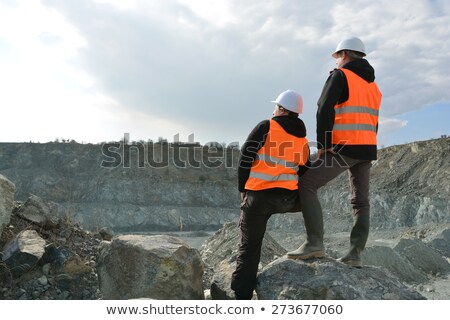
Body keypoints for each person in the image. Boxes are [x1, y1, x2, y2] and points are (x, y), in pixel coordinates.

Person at [287, 37, 382, 268]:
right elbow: (373, 121)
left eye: (338, 56)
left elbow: (324, 107)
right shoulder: (373, 86)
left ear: (345, 54)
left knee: (307, 183)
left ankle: (314, 244)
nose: (337, 60)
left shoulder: (341, 75)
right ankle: (354, 254)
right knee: (361, 201)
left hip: (343, 146)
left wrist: (323, 145)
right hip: (367, 147)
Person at [231, 89, 310, 299]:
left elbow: (245, 159)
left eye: (276, 106)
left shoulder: (266, 126)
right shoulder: (302, 138)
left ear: (282, 110)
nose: (273, 109)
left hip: (259, 198)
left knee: (249, 247)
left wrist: (242, 190)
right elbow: (304, 170)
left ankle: (241, 298)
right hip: (288, 199)